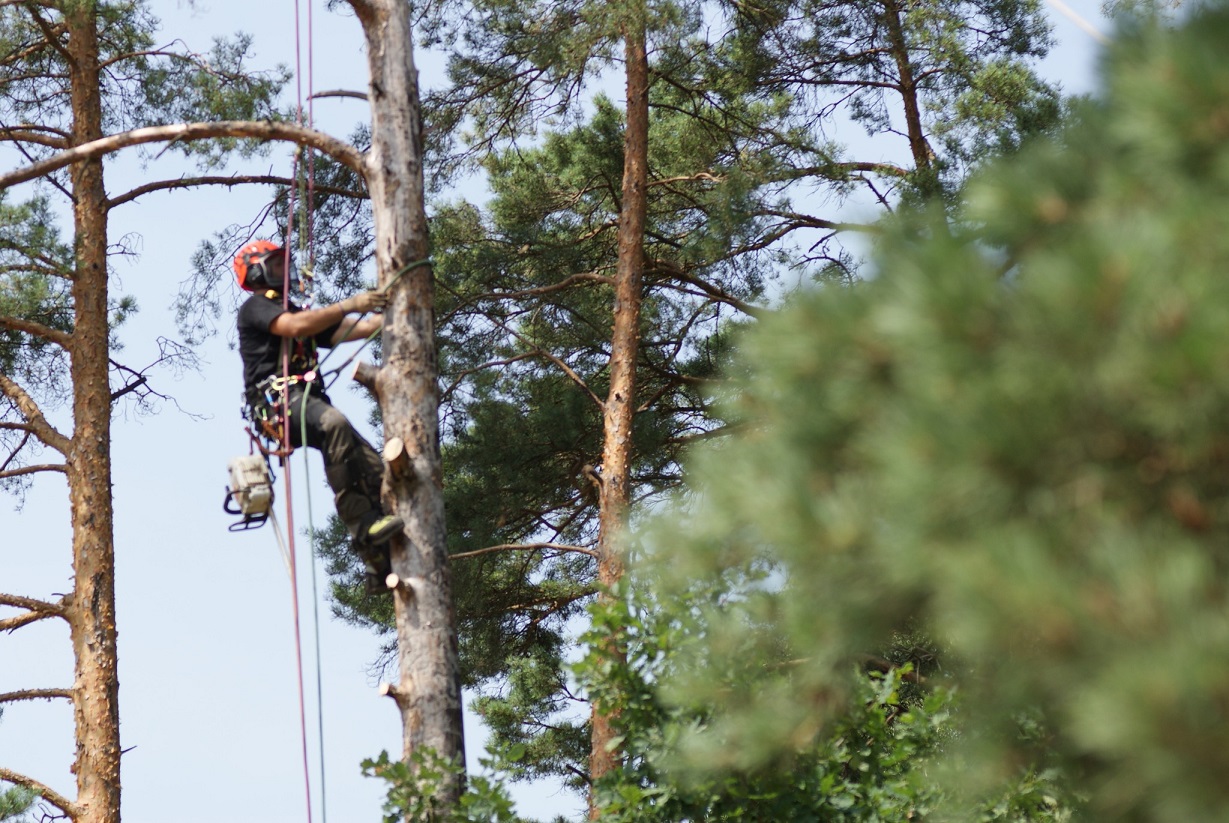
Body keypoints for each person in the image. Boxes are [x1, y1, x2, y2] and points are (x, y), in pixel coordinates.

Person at [234, 239, 400, 594]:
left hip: (305, 400)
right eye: (275, 264)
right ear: (256, 271)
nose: (283, 270)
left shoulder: (295, 312)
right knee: (334, 424)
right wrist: (348, 304)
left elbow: (346, 330)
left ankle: (379, 565)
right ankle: (362, 528)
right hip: (278, 403)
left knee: (376, 470)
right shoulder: (256, 309)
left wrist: (387, 315)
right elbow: (295, 327)